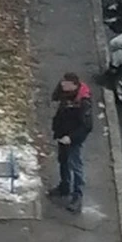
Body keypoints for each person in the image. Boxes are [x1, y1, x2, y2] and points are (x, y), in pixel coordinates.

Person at [49, 72, 94, 213]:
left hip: (73, 137)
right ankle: (64, 187)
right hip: (62, 133)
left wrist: (71, 137)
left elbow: (87, 126)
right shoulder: (65, 93)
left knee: (75, 165)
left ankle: (77, 196)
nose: (62, 84)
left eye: (66, 83)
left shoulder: (83, 102)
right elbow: (54, 97)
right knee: (63, 160)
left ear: (74, 85)